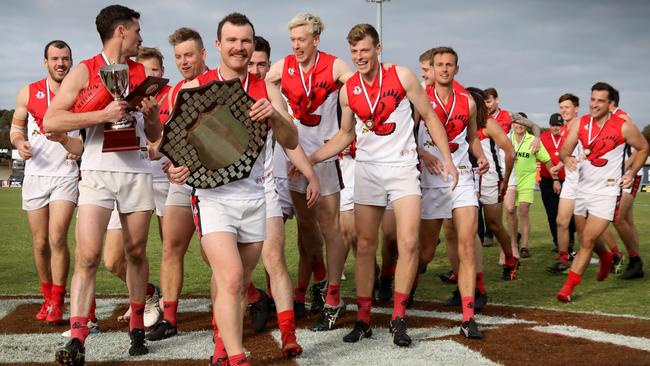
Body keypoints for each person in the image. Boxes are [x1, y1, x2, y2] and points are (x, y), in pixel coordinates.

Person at [310, 23, 458, 347]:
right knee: (364, 245)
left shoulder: (402, 76)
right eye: (354, 52)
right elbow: (345, 135)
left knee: (408, 243)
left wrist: (447, 159)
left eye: (365, 50)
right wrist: (311, 158)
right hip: (367, 171)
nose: (359, 57)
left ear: (377, 49)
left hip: (404, 168)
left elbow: (430, 117)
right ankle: (363, 320)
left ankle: (398, 317)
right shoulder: (348, 89)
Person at [167, 13, 299, 366]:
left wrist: (276, 116)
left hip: (254, 196)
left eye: (245, 41)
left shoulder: (266, 89)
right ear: (218, 45)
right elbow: (177, 145)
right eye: (232, 41)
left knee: (238, 285)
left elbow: (291, 140)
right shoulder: (195, 87)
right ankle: (238, 357)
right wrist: (178, 168)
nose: (239, 47)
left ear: (253, 46)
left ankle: (222, 351)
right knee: (230, 277)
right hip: (212, 197)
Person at [44, 5, 163, 363]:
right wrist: (103, 115)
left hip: (137, 172)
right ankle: (78, 337)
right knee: (89, 255)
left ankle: (138, 325)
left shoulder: (143, 72)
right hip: (97, 172)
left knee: (136, 252)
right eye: (137, 30)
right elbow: (53, 118)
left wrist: (154, 117)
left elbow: (155, 136)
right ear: (121, 31)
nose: (141, 37)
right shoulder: (86, 70)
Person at [265, 13, 355, 331]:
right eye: (293, 40)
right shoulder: (284, 66)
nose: (296, 45)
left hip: (324, 159)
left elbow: (357, 83)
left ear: (315, 40)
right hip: (294, 159)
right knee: (306, 229)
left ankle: (333, 298)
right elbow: (261, 83)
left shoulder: (334, 65)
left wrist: (350, 107)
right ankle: (319, 283)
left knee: (330, 229)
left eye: (302, 39)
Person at [243, 34, 320, 358]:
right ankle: (247, 306)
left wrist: (310, 172)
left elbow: (290, 139)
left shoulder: (271, 93)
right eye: (251, 63)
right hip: (224, 191)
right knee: (231, 270)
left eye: (262, 63)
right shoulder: (217, 89)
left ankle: (288, 333)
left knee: (273, 257)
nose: (257, 69)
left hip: (263, 186)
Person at [414, 47, 489, 339]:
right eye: (440, 65)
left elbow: (471, 137)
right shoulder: (420, 97)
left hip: (461, 178)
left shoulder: (467, 102)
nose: (444, 69)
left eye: (449, 65)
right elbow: (407, 136)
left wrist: (480, 156)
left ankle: (469, 316)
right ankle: (408, 286)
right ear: (431, 69)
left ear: (457, 69)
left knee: (467, 243)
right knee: (425, 252)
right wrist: (425, 154)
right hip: (429, 179)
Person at [556, 82, 648, 303]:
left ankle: (568, 288)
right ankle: (606, 256)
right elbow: (565, 149)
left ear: (610, 104)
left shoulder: (623, 126)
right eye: (593, 99)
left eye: (600, 101)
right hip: (582, 187)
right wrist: (566, 158)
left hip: (606, 191)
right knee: (583, 235)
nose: (595, 104)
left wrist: (632, 172)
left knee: (587, 239)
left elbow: (644, 147)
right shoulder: (580, 123)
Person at [146, 27, 209, 342]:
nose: (184, 61)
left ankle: (250, 297)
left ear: (203, 54)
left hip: (214, 183)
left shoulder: (220, 84)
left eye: (189, 54)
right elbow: (166, 138)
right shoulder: (173, 92)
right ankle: (168, 318)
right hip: (182, 182)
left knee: (213, 254)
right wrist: (163, 155)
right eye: (179, 57)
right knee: (171, 247)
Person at [10, 40, 77, 325]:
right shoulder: (28, 91)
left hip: (66, 173)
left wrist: (73, 146)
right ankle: (47, 294)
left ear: (71, 61)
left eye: (65, 58)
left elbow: (84, 138)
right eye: (55, 58)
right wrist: (19, 142)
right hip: (35, 174)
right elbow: (15, 129)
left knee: (57, 237)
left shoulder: (80, 92)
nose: (60, 63)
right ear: (45, 62)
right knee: (39, 244)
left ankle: (59, 301)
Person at [484, 88, 541, 260]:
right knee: (499, 214)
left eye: (489, 101)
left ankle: (513, 247)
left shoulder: (509, 116)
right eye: (484, 102)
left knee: (509, 208)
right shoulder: (481, 118)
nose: (487, 105)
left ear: (497, 100)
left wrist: (537, 138)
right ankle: (506, 249)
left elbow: (535, 126)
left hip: (509, 170)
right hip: (489, 171)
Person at [468, 87, 518, 280]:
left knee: (495, 225)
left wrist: (505, 180)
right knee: (467, 227)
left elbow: (510, 152)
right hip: (467, 179)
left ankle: (511, 260)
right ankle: (463, 267)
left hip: (489, 180)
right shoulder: (460, 123)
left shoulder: (488, 123)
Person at [511, 114, 560, 258]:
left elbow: (547, 160)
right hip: (510, 181)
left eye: (522, 123)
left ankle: (524, 247)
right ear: (512, 124)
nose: (519, 125)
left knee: (524, 210)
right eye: (516, 123)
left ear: (527, 125)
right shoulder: (507, 138)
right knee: (510, 212)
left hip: (526, 181)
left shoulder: (533, 140)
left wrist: (555, 179)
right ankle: (514, 241)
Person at [610, 91, 645, 279]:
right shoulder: (611, 119)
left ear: (612, 102)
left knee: (618, 217)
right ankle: (636, 263)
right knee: (627, 220)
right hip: (620, 176)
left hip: (630, 175)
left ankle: (635, 260)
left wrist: (627, 166)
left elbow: (639, 147)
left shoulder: (622, 118)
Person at [539, 113, 571, 252]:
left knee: (569, 214)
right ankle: (558, 243)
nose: (556, 128)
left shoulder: (568, 137)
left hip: (567, 180)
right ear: (549, 125)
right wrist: (554, 179)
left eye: (559, 125)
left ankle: (568, 243)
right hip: (547, 180)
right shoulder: (542, 138)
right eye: (553, 125)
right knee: (552, 214)